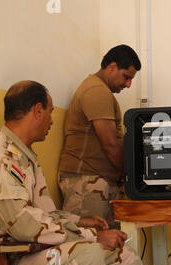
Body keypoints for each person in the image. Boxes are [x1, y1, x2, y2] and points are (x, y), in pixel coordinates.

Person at [0, 81, 147, 265]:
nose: (51, 121)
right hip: (5, 262)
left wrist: (79, 221)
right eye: (50, 112)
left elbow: (45, 214)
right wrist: (91, 236)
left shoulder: (25, 155)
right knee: (87, 254)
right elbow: (24, 226)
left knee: (124, 256)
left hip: (32, 253)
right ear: (37, 111)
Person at [58, 45, 141, 228]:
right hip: (87, 183)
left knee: (108, 247)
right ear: (111, 67)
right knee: (90, 246)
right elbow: (111, 144)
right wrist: (129, 175)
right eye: (126, 77)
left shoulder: (99, 90)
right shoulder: (97, 91)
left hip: (95, 180)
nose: (128, 85)